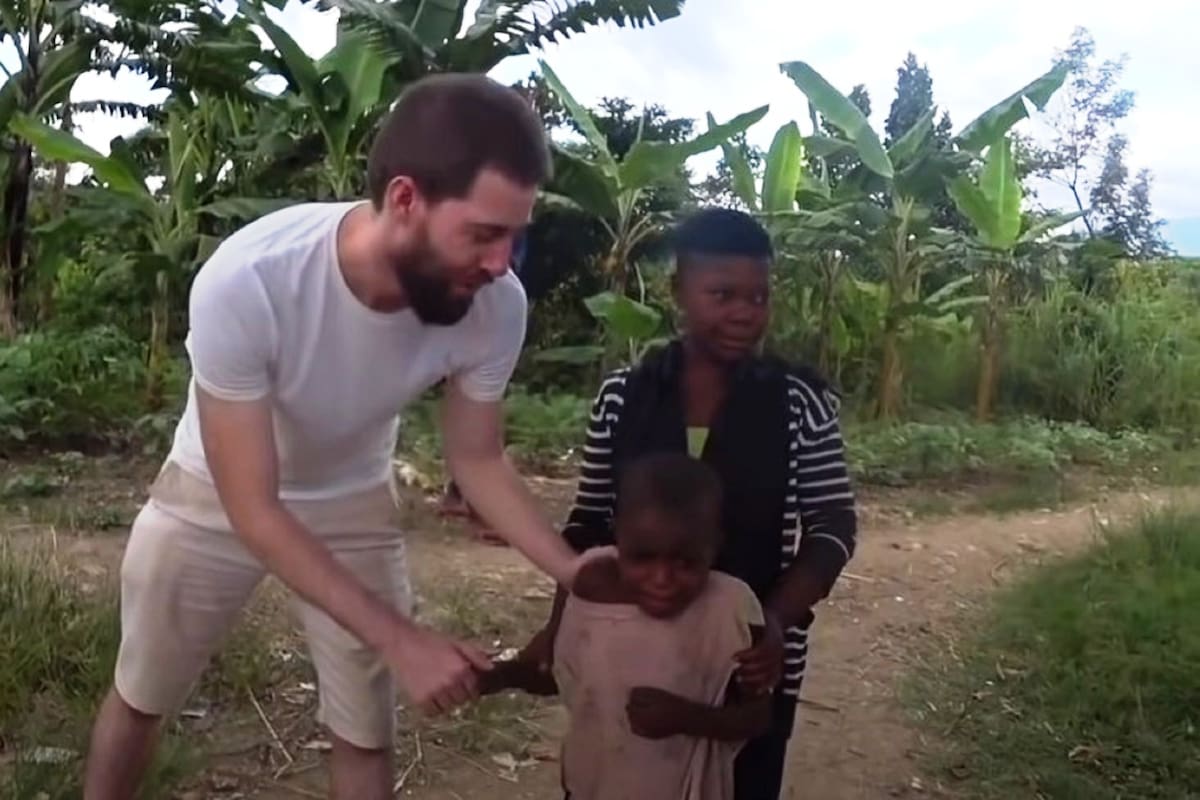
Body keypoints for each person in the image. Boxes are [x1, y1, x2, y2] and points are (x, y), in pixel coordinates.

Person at [82, 73, 585, 800]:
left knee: (364, 731)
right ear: (406, 199)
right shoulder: (249, 281)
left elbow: (476, 459)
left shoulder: (494, 304)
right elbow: (254, 510)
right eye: (482, 233)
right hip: (215, 494)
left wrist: (575, 574)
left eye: (515, 234)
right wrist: (402, 638)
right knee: (142, 692)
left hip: (351, 499)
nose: (502, 261)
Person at [520, 207, 859, 800]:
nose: (744, 313)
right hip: (626, 648)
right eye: (723, 294)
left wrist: (771, 625)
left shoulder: (801, 403)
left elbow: (833, 527)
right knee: (612, 768)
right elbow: (589, 523)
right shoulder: (622, 398)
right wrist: (555, 628)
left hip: (747, 664)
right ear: (679, 291)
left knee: (741, 782)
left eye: (758, 297)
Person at [482, 452, 772, 799]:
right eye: (643, 557)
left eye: (686, 561)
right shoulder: (587, 587)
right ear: (619, 535)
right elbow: (565, 677)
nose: (662, 579)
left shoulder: (729, 611)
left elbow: (758, 717)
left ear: (714, 545)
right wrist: (498, 675)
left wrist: (688, 718)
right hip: (591, 787)